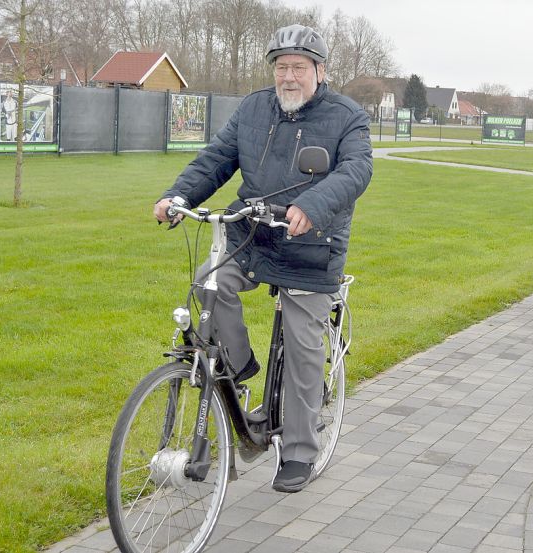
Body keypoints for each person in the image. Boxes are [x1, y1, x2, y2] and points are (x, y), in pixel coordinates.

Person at [153, 23, 373, 493]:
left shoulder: (347, 117)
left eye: (298, 67)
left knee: (301, 345)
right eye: (281, 67)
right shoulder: (254, 107)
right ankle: (239, 369)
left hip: (311, 243)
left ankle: (298, 451)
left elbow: (357, 169)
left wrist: (312, 207)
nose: (288, 77)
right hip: (252, 229)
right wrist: (177, 196)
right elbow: (217, 158)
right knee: (209, 283)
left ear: (320, 70)